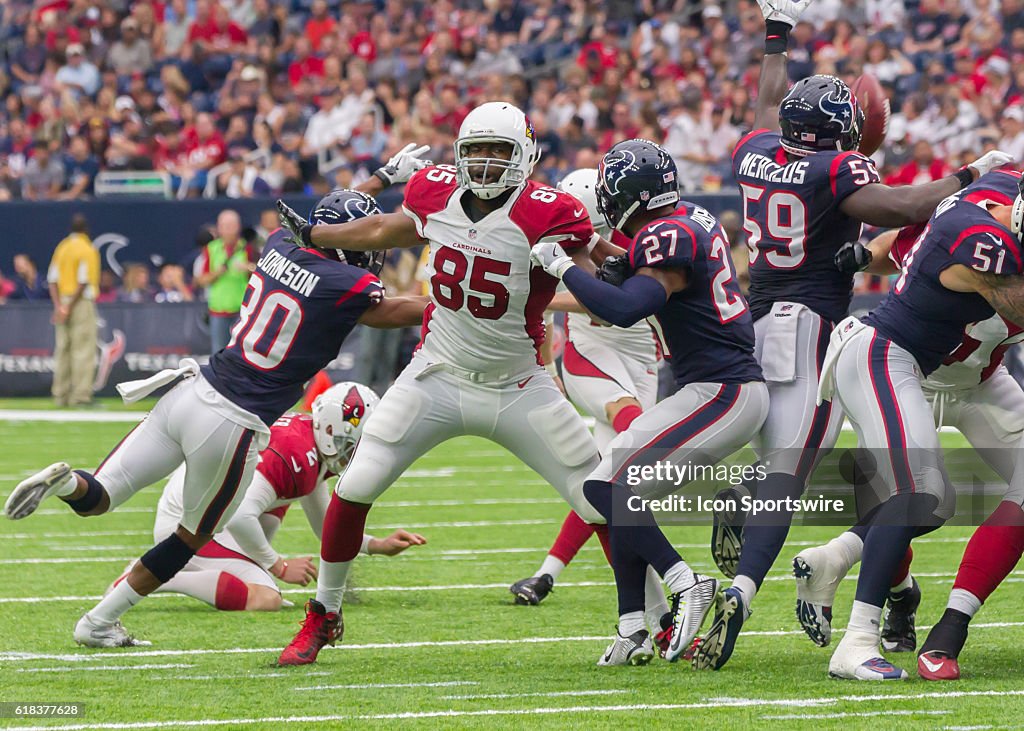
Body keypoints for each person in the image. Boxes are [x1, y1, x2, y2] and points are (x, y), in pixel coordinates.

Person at [698, 0, 1015, 674]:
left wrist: (775, 39)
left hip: (759, 319)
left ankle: (823, 548)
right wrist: (967, 175)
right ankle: (762, 589)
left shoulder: (757, 152)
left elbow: (763, 108)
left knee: (865, 472)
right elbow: (900, 208)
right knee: (815, 469)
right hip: (824, 328)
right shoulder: (842, 172)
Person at [4, 182, 430, 648]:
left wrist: (380, 179)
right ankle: (100, 621)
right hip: (232, 421)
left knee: (100, 496)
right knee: (191, 539)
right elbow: (390, 309)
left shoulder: (279, 242)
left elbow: (320, 225)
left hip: (188, 392)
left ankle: (65, 483)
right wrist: (454, 306)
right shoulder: (347, 284)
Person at [273, 102, 620, 666]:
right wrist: (319, 231)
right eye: (476, 150)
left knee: (597, 497)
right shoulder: (435, 191)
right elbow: (388, 227)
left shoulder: (550, 209)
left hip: (517, 384)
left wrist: (627, 277)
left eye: (498, 151)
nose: (484, 162)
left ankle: (651, 616)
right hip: (436, 372)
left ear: (525, 154)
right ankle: (324, 613)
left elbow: (591, 274)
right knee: (356, 486)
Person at [531, 139, 767, 666]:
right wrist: (592, 247)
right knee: (608, 491)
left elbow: (625, 306)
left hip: (722, 391)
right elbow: (628, 266)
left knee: (607, 488)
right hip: (713, 388)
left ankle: (685, 583)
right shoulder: (689, 219)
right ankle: (633, 624)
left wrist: (560, 267)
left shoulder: (667, 236)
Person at [794, 169, 1024, 678]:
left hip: (917, 363)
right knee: (916, 493)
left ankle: (834, 559)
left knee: (935, 501)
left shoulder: (994, 195)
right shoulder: (979, 240)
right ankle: (855, 643)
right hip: (882, 355)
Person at [508, 168, 663, 632]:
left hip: (640, 353)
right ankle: (666, 583)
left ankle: (546, 576)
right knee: (636, 438)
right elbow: (572, 302)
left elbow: (611, 296)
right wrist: (544, 360)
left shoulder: (630, 238)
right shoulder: (562, 235)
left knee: (607, 477)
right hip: (590, 351)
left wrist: (553, 295)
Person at [128, 384, 426, 612]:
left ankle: (177, 565)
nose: (354, 455)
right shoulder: (299, 453)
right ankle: (152, 574)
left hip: (204, 515)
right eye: (349, 444)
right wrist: (278, 566)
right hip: (194, 523)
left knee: (276, 509)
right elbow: (241, 513)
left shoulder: (311, 448)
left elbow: (327, 529)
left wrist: (377, 545)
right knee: (266, 598)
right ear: (329, 430)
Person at [47, 214, 100, 407]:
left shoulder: (63, 247)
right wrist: (69, 306)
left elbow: (52, 280)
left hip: (61, 299)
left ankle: (60, 395)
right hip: (80, 302)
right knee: (83, 349)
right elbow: (83, 281)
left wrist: (59, 306)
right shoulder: (87, 249)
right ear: (86, 229)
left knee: (63, 348)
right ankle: (80, 396)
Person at [192, 209, 258, 354]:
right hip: (218, 310)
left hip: (242, 311)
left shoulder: (247, 248)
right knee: (218, 352)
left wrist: (248, 267)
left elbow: (260, 274)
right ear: (219, 228)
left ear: (238, 227)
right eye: (225, 226)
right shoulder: (211, 249)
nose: (229, 230)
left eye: (232, 225)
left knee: (242, 352)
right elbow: (201, 280)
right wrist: (217, 272)